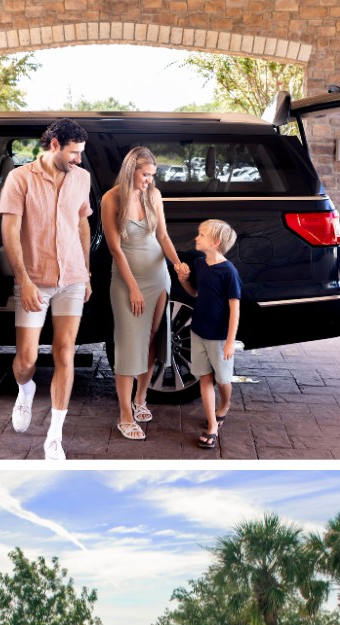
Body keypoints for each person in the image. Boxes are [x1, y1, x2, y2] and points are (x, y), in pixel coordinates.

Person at [0, 118, 92, 460]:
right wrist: (23, 280)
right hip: (34, 279)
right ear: (54, 145)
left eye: (81, 153)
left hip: (72, 278)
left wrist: (87, 273)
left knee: (64, 352)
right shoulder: (20, 179)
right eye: (74, 153)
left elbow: (82, 222)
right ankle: (25, 389)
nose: (78, 160)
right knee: (26, 360)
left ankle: (55, 435)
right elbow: (10, 231)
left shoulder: (81, 178)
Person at [101, 146, 189, 441]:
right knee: (128, 346)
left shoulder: (153, 195)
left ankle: (140, 400)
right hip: (128, 280)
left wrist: (177, 265)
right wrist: (133, 287)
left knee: (153, 340)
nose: (149, 180)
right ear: (131, 170)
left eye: (153, 175)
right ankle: (124, 416)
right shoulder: (111, 199)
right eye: (145, 174)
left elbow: (162, 236)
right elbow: (114, 248)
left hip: (158, 277)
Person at [176, 219, 241, 448]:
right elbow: (194, 293)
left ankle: (224, 404)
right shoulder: (200, 264)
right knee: (204, 377)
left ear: (215, 241)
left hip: (220, 337)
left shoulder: (228, 271)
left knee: (223, 379)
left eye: (201, 235)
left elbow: (235, 308)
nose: (196, 237)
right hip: (198, 331)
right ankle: (212, 425)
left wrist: (230, 341)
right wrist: (183, 280)